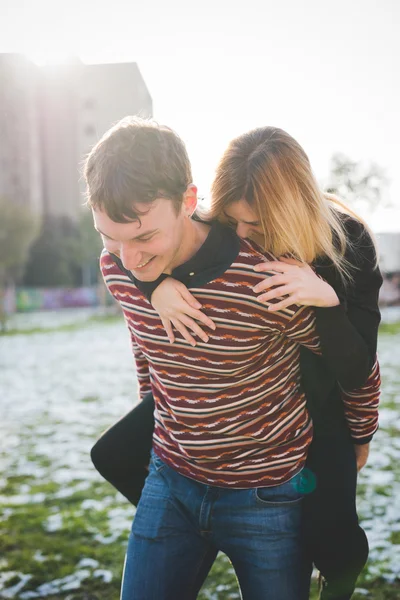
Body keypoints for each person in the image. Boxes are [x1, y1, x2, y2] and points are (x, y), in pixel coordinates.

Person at [85, 119, 381, 600]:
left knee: (336, 537)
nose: (245, 237)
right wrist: (154, 287)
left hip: (286, 456)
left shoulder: (313, 260)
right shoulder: (128, 255)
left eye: (258, 226)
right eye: (232, 222)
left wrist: (326, 303)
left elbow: (357, 366)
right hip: (176, 470)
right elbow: (143, 321)